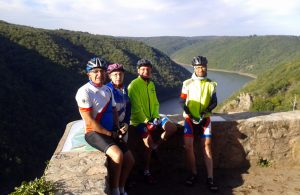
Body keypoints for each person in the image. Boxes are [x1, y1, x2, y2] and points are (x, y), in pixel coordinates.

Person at [75, 57, 134, 195]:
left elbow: (113, 110)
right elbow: (89, 121)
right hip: (93, 133)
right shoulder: (85, 91)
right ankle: (114, 190)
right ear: (88, 74)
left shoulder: (108, 90)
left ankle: (121, 187)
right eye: (95, 71)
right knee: (118, 155)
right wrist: (110, 134)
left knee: (130, 160)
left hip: (111, 131)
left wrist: (118, 126)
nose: (99, 74)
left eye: (101, 71)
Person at [128, 58, 177, 184]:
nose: (146, 71)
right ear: (138, 70)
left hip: (153, 117)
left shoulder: (151, 84)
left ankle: (156, 146)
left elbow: (155, 103)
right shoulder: (133, 85)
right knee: (148, 143)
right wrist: (146, 121)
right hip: (139, 120)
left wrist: (155, 117)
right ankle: (146, 171)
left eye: (148, 69)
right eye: (143, 69)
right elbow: (136, 107)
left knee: (172, 128)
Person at [180, 55, 219, 191]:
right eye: (198, 67)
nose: (200, 69)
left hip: (205, 119)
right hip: (189, 120)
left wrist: (205, 111)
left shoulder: (211, 84)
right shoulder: (187, 83)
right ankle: (193, 174)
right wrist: (188, 112)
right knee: (188, 147)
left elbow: (214, 101)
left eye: (202, 67)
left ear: (206, 67)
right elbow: (182, 101)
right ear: (194, 69)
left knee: (207, 147)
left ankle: (210, 178)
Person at [106, 63, 131, 143]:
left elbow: (128, 108)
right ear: (110, 76)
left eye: (120, 74)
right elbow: (106, 112)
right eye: (115, 74)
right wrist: (115, 127)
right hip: (111, 129)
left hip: (123, 127)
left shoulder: (124, 90)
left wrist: (126, 123)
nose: (118, 77)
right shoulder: (107, 90)